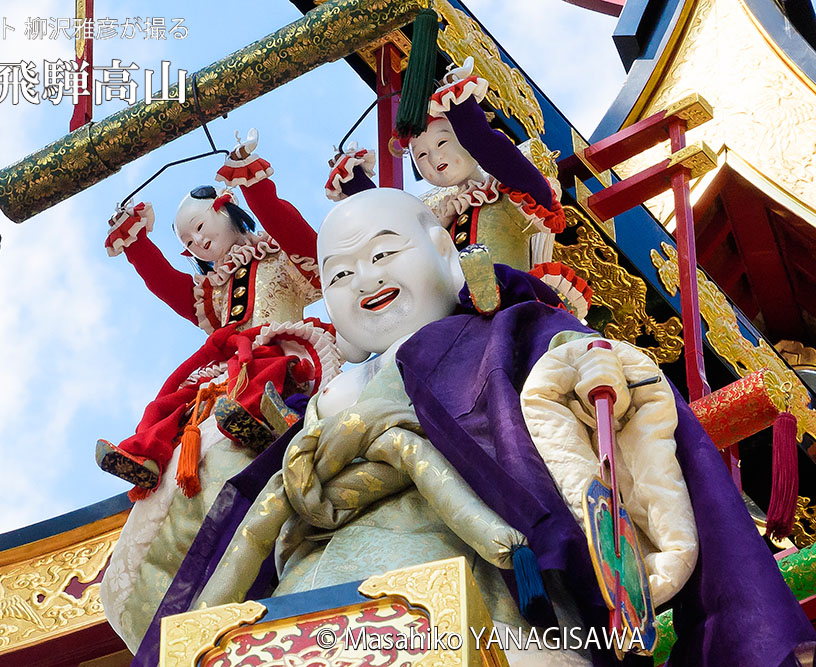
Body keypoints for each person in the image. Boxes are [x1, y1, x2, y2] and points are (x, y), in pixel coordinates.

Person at [132, 188, 814, 667]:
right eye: (339, 272)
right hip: (304, 609)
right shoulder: (327, 393)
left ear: (446, 251)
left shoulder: (511, 333)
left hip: (481, 586)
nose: (363, 277)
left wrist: (581, 375)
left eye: (382, 253)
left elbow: (598, 409)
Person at [97, 130, 340, 653]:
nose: (195, 244)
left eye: (200, 227)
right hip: (223, 366)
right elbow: (169, 286)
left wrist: (254, 183)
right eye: (186, 241)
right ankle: (144, 456)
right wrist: (138, 244)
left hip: (275, 347)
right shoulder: (212, 291)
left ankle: (261, 421)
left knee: (267, 372)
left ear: (228, 212)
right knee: (172, 404)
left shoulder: (281, 257)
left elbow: (295, 233)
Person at [325, 57, 590, 317]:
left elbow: (492, 151)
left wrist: (460, 109)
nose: (434, 158)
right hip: (458, 319)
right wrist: (354, 183)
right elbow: (387, 223)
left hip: (513, 307)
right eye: (421, 156)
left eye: (442, 144)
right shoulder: (438, 216)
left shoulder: (507, 193)